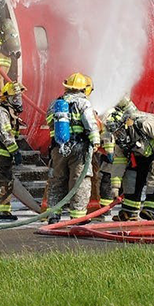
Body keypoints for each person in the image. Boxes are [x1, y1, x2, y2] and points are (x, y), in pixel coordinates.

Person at [44, 72, 101, 222]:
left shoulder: (55, 104)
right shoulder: (84, 103)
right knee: (79, 181)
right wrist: (95, 141)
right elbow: (90, 123)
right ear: (82, 89)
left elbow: (50, 122)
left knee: (57, 181)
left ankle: (53, 215)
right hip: (79, 148)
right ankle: (78, 217)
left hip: (58, 148)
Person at [109, 97, 154, 221]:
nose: (118, 134)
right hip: (140, 155)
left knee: (153, 178)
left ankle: (150, 210)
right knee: (130, 177)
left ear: (126, 123)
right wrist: (115, 187)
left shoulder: (143, 124)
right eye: (115, 132)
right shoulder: (119, 141)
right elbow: (119, 164)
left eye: (119, 130)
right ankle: (129, 212)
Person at [0, 81, 26, 221]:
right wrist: (15, 151)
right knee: (3, 182)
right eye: (15, 98)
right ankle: (1, 213)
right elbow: (6, 134)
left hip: (1, 153)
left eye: (19, 97)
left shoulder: (7, 112)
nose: (18, 101)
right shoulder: (1, 113)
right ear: (6, 98)